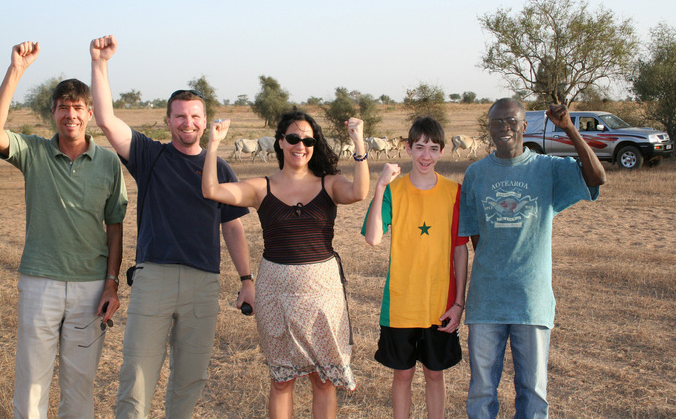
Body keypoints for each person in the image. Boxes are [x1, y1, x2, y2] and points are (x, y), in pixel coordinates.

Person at [90, 35, 252, 419]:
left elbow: (232, 229)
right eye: (180, 116)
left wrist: (247, 278)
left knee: (190, 378)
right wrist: (100, 63)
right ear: (168, 121)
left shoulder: (220, 168)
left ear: (206, 120)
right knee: (137, 373)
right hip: (154, 279)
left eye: (195, 116)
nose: (188, 122)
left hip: (203, 283)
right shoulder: (150, 156)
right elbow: (106, 120)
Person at [202, 110, 369, 418]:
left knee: (323, 380)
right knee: (281, 380)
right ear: (280, 143)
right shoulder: (260, 187)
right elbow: (211, 191)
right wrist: (213, 144)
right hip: (274, 293)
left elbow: (359, 192)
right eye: (293, 138)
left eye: (308, 140)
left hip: (323, 292)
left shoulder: (329, 184)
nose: (300, 145)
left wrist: (358, 142)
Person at [0, 41, 127, 418]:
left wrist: (111, 283)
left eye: (77, 108)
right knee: (32, 384)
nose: (70, 114)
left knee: (79, 385)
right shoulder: (33, 152)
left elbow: (115, 227)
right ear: (52, 113)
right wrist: (16, 70)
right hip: (40, 281)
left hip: (90, 287)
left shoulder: (107, 163)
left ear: (89, 113)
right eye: (62, 107)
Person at [459, 98, 606, 418]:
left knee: (533, 392)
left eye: (511, 121)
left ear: (525, 126)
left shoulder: (548, 168)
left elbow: (596, 177)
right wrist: (497, 262)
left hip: (531, 299)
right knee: (481, 391)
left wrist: (569, 128)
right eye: (496, 122)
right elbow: (474, 234)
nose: (504, 128)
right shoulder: (476, 174)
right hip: (486, 300)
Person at [361, 116, 469, 419]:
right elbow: (372, 238)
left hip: (440, 303)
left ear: (442, 152)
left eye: (433, 148)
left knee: (435, 375)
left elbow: (460, 251)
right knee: (403, 376)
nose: (425, 156)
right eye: (419, 147)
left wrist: (459, 303)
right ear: (408, 148)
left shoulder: (454, 192)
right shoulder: (394, 191)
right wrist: (381, 185)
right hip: (400, 304)